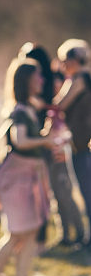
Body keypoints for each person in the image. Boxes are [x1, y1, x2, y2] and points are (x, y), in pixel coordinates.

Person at [0, 60, 57, 276]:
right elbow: (20, 141)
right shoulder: (20, 110)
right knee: (15, 234)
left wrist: (47, 136)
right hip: (16, 180)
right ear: (26, 80)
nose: (42, 80)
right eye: (38, 76)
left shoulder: (29, 108)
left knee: (30, 233)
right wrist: (46, 140)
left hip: (27, 178)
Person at [53, 39, 91, 245]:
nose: (62, 65)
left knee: (87, 192)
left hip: (83, 145)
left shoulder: (81, 79)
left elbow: (61, 104)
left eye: (64, 60)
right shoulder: (82, 77)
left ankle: (88, 240)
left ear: (75, 59)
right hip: (81, 143)